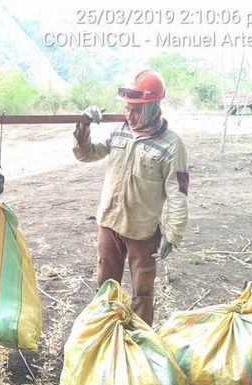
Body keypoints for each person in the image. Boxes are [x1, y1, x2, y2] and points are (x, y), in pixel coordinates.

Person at [73, 69, 189, 326]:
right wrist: (84, 125)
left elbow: (178, 194)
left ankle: (139, 343)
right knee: (105, 288)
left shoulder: (172, 145)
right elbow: (86, 154)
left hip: (142, 232)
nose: (130, 115)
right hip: (109, 224)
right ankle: (104, 334)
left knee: (143, 293)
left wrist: (172, 234)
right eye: (127, 108)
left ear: (154, 107)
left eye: (137, 109)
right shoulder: (119, 132)